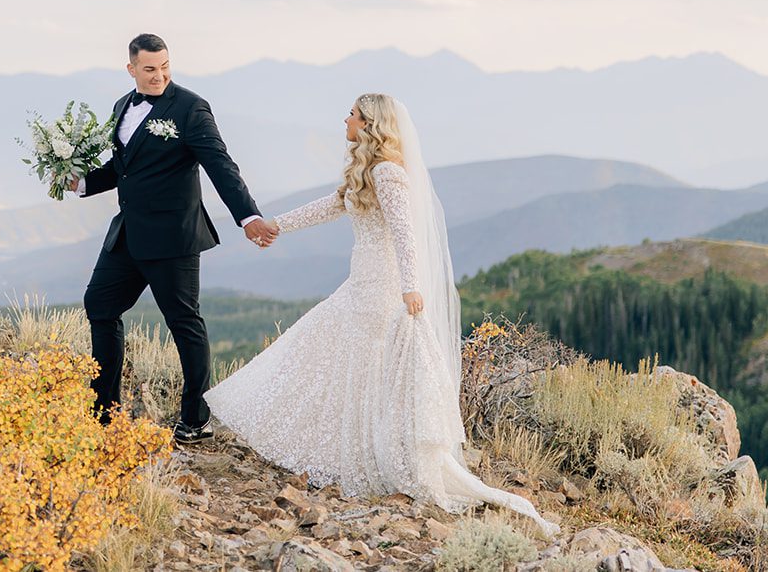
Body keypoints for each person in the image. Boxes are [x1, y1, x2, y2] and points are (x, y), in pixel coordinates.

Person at [203, 93, 558, 535]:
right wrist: (277, 224)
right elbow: (329, 206)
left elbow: (406, 234)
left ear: (370, 124)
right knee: (336, 354)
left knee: (363, 362)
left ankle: (370, 457)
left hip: (383, 286)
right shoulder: (366, 169)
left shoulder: (389, 172)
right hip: (362, 280)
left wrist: (411, 286)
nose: (345, 119)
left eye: (352, 114)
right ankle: (347, 449)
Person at [70, 33, 272, 443]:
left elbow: (220, 164)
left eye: (165, 67)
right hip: (128, 234)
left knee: (183, 323)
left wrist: (248, 216)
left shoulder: (190, 108)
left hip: (173, 238)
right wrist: (82, 183)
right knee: (99, 306)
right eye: (149, 69)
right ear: (131, 69)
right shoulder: (122, 106)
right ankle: (104, 413)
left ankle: (196, 419)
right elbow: (124, 167)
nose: (159, 76)